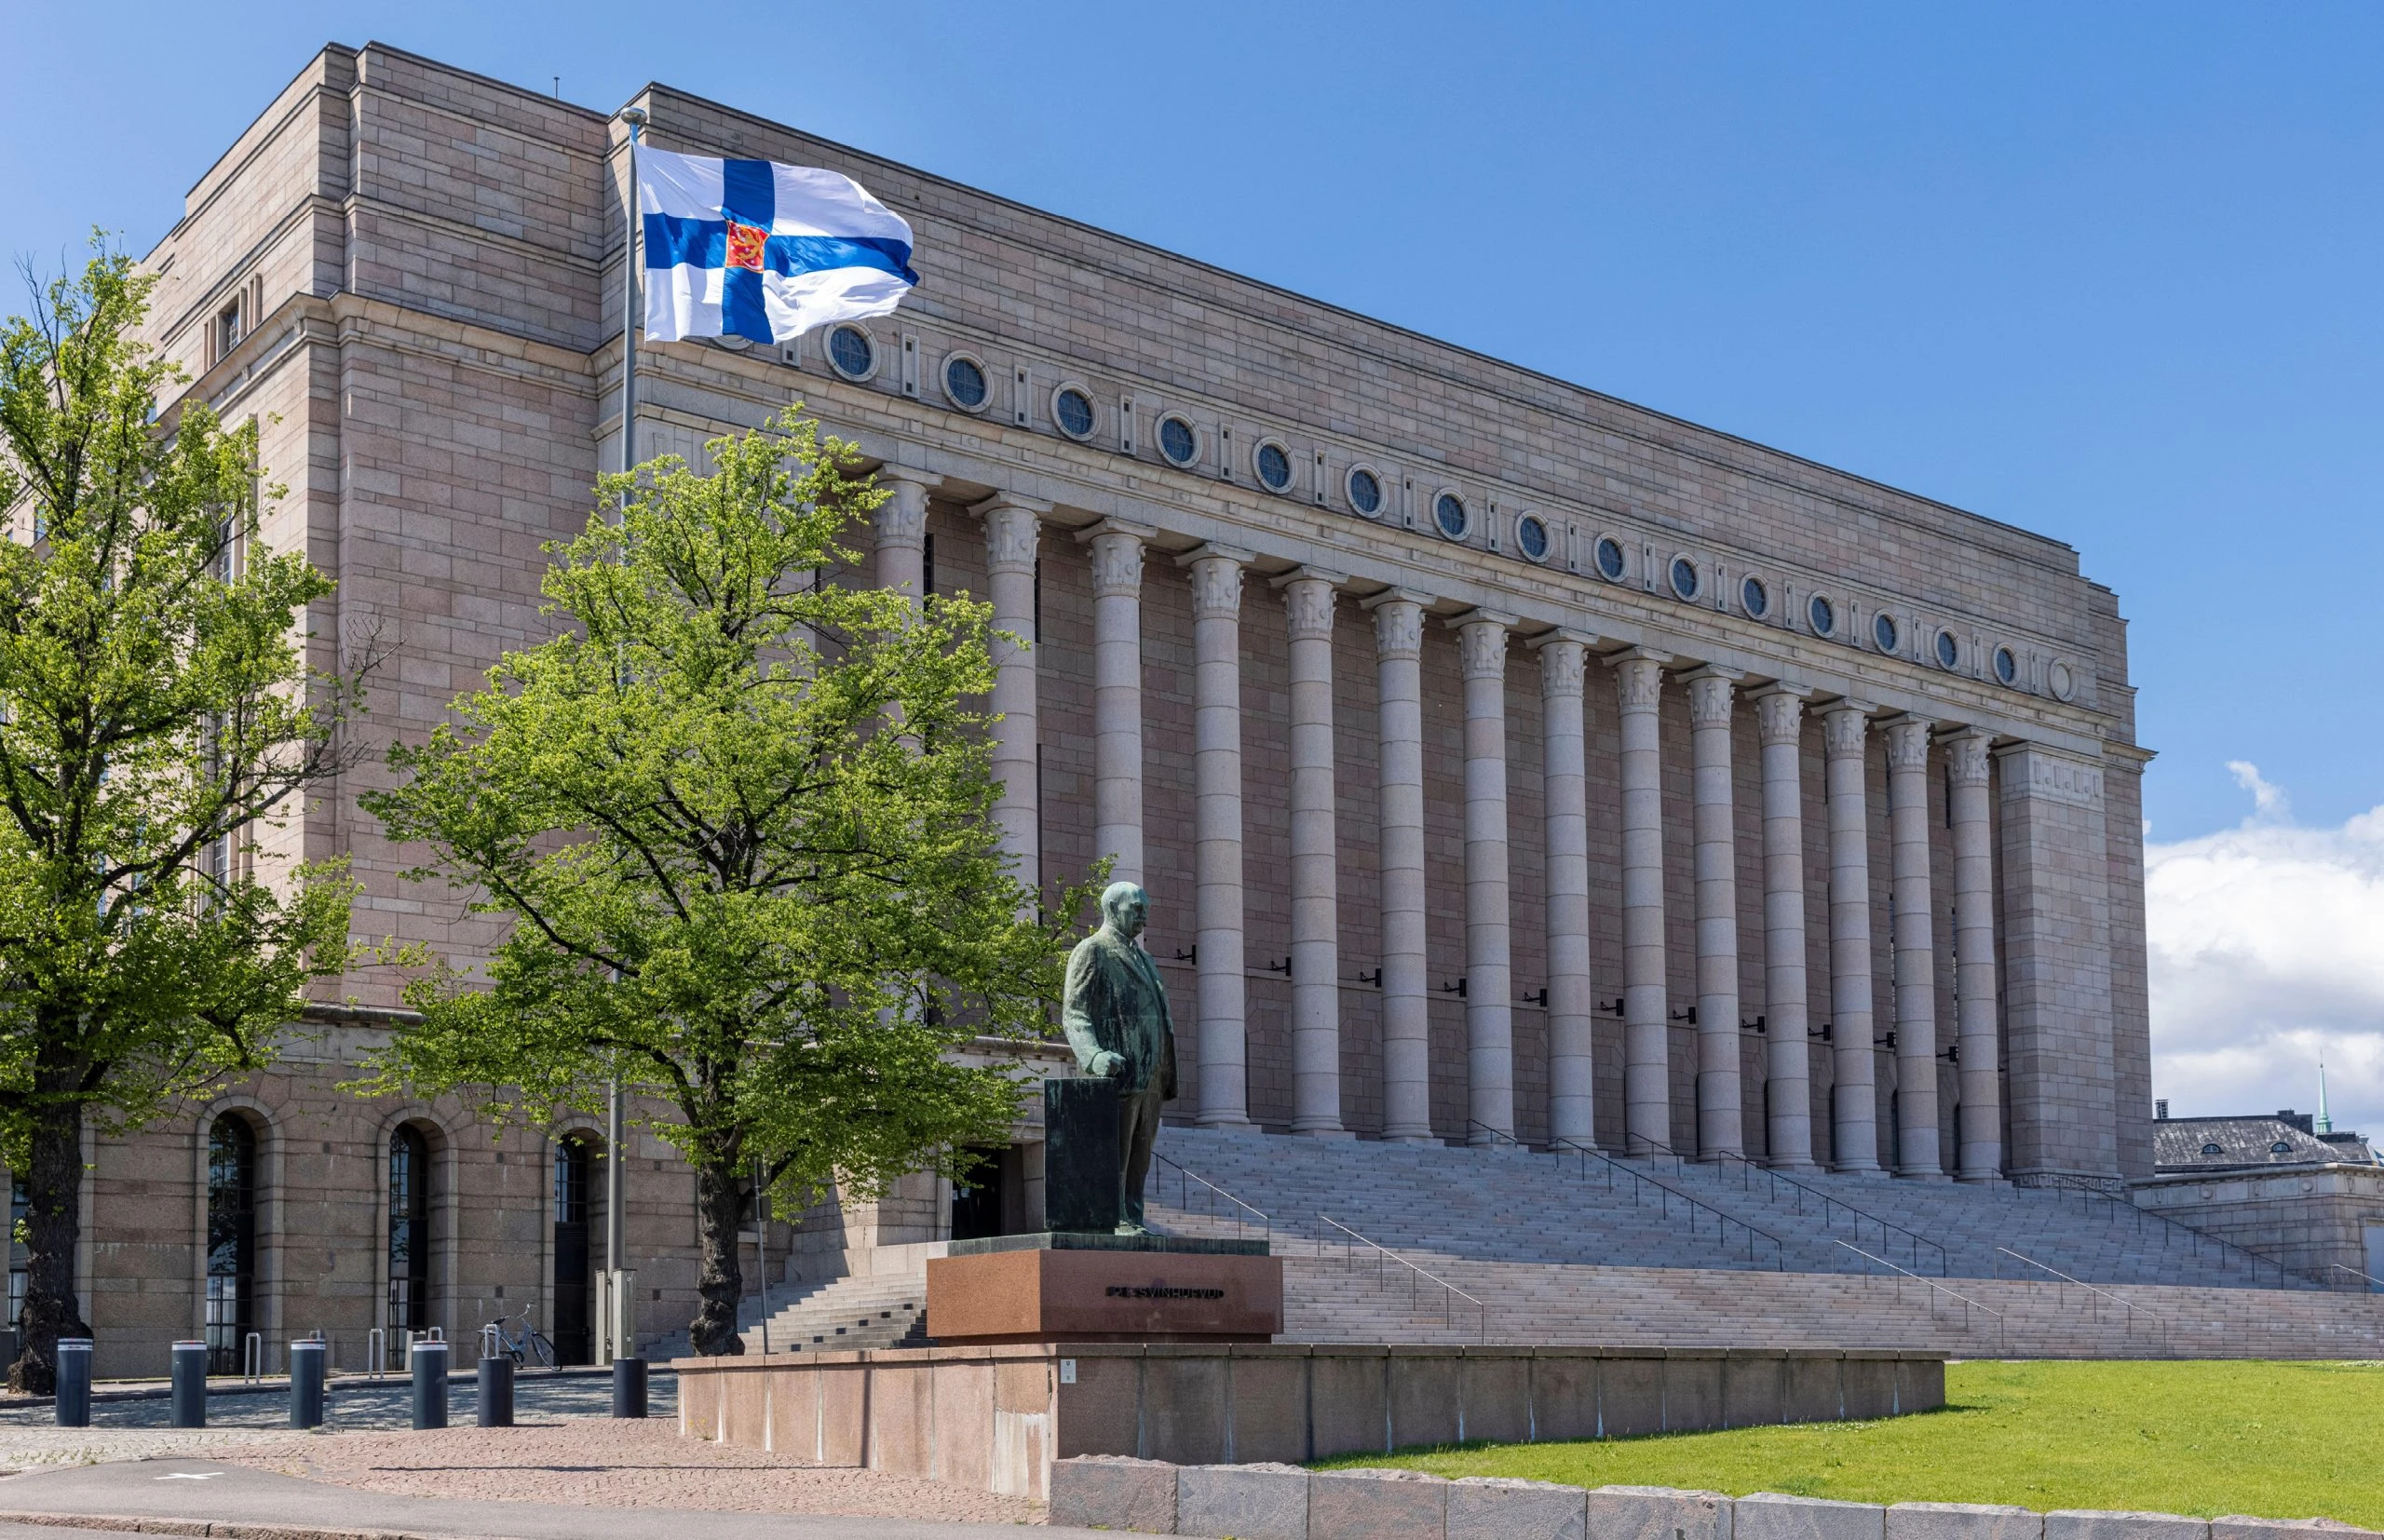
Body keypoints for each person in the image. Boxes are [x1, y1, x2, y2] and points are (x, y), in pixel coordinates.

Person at [1059, 881, 1178, 1234]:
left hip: (1153, 1073)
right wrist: (1093, 1056)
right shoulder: (1092, 950)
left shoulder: (1146, 958)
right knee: (1117, 1156)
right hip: (1118, 1073)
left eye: (1146, 908)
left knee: (1140, 1159)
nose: (1144, 916)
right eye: (1136, 908)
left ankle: (1134, 1217)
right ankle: (1114, 1218)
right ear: (1113, 909)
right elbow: (1075, 1013)